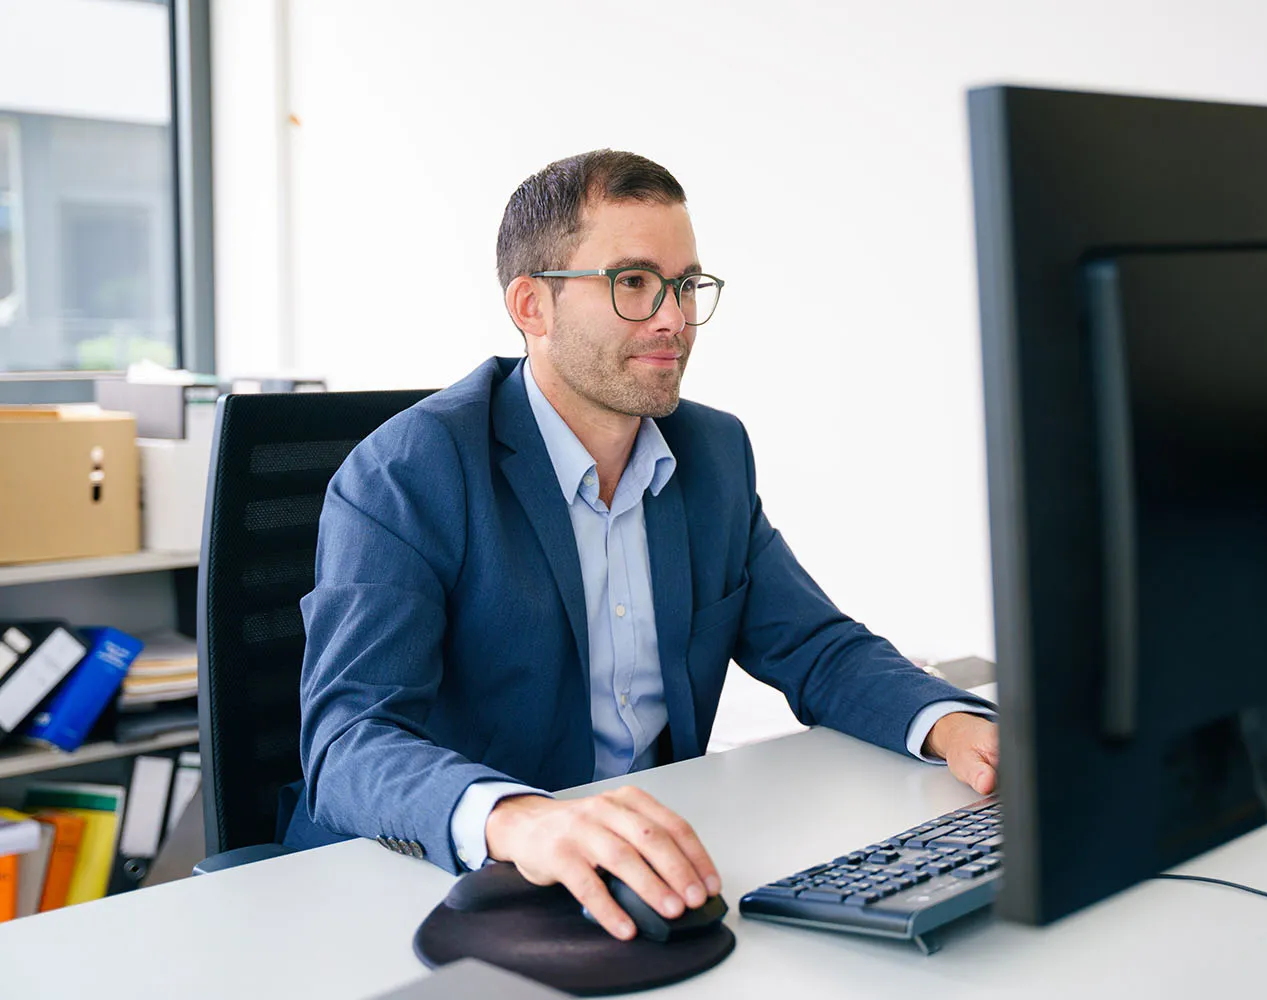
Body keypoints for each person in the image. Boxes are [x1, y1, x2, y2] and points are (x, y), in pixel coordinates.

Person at [288, 149, 998, 942]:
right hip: (427, 889)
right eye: (633, 282)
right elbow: (349, 741)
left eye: (686, 285)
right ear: (532, 306)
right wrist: (520, 817)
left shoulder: (712, 454)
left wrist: (956, 726)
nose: (674, 319)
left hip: (645, 872)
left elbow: (815, 648)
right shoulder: (407, 472)